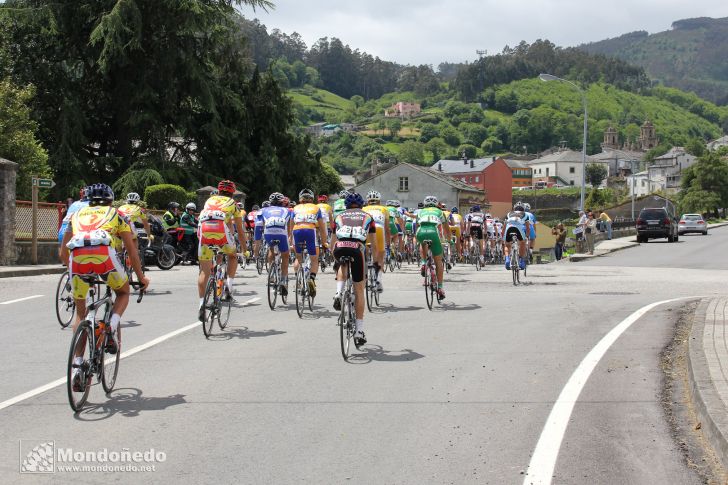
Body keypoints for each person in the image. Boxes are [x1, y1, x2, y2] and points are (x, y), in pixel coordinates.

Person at [60, 184, 149, 390]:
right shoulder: (117, 215)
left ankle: (77, 367)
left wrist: (73, 271)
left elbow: (63, 253)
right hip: (105, 257)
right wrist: (141, 278)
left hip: (78, 261)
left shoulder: (75, 214)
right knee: (124, 292)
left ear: (88, 200)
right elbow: (132, 252)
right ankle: (111, 325)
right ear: (110, 200)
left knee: (81, 315)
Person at [331, 192, 377, 348]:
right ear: (361, 205)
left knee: (341, 264)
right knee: (359, 290)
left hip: (340, 247)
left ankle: (338, 293)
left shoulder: (338, 216)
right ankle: (359, 331)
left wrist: (334, 257)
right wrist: (375, 260)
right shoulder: (368, 216)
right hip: (357, 249)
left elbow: (333, 239)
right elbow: (372, 243)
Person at [197, 180, 246, 320]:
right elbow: (240, 231)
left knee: (204, 272)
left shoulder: (209, 201)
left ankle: (201, 304)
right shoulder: (233, 205)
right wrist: (244, 249)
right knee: (232, 256)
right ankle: (228, 286)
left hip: (204, 232)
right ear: (232, 193)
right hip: (221, 232)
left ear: (218, 192)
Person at [292, 189, 328, 297]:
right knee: (314, 259)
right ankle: (311, 279)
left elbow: (290, 224)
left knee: (298, 258)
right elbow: (322, 228)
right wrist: (324, 242)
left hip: (296, 230)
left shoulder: (295, 208)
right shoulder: (316, 208)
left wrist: (290, 239)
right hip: (310, 230)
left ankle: (298, 280)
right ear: (312, 199)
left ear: (300, 199)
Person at [416, 196, 451, 299]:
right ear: (436, 204)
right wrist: (450, 240)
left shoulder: (420, 211)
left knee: (422, 243)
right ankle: (440, 288)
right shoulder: (440, 212)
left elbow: (417, 225)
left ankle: (423, 263)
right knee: (438, 262)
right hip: (433, 232)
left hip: (421, 232)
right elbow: (447, 230)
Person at [261, 192, 293, 296]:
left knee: (271, 250)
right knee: (285, 256)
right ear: (282, 202)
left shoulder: (264, 210)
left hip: (268, 232)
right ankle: (283, 280)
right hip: (282, 233)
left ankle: (271, 272)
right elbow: (289, 227)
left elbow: (262, 224)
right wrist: (289, 238)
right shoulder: (288, 210)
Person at [362, 191, 390, 293]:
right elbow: (387, 229)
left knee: (364, 253)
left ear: (368, 201)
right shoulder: (384, 209)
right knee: (380, 256)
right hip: (379, 230)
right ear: (378, 201)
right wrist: (388, 243)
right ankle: (378, 279)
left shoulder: (363, 209)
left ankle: (364, 275)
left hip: (366, 231)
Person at [503, 202, 530, 270]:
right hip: (518, 229)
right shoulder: (525, 214)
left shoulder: (509, 214)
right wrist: (527, 236)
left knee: (507, 245)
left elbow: (504, 227)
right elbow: (527, 228)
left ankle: (507, 259)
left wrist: (503, 235)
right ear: (523, 209)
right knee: (522, 243)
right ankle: (521, 261)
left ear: (514, 209)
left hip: (509, 229)